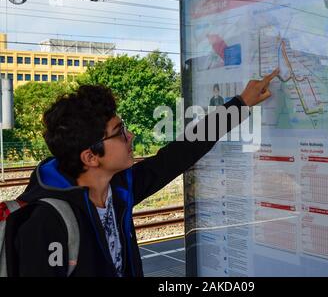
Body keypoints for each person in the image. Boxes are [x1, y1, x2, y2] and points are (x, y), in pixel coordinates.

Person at [8, 68, 278, 277]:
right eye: (119, 132)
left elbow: (178, 154)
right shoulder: (44, 221)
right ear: (91, 157)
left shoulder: (120, 188)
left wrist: (240, 104)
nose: (130, 135)